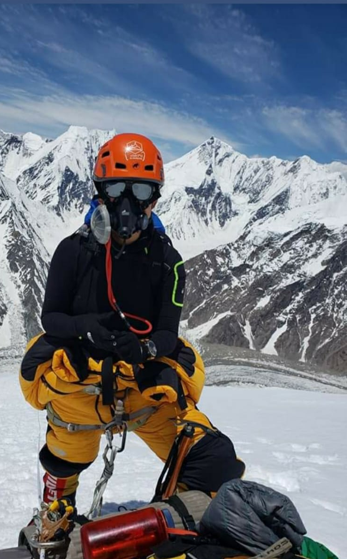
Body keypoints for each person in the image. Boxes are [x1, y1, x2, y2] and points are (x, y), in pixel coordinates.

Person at [19, 133, 245, 508]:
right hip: (80, 380)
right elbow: (52, 318)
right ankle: (56, 514)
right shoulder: (73, 252)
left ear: (154, 198)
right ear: (99, 192)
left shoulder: (167, 261)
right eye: (116, 189)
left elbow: (167, 332)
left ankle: (187, 518)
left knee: (210, 461)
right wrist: (84, 328)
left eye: (139, 190)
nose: (127, 203)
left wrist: (145, 348)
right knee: (65, 459)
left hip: (140, 382)